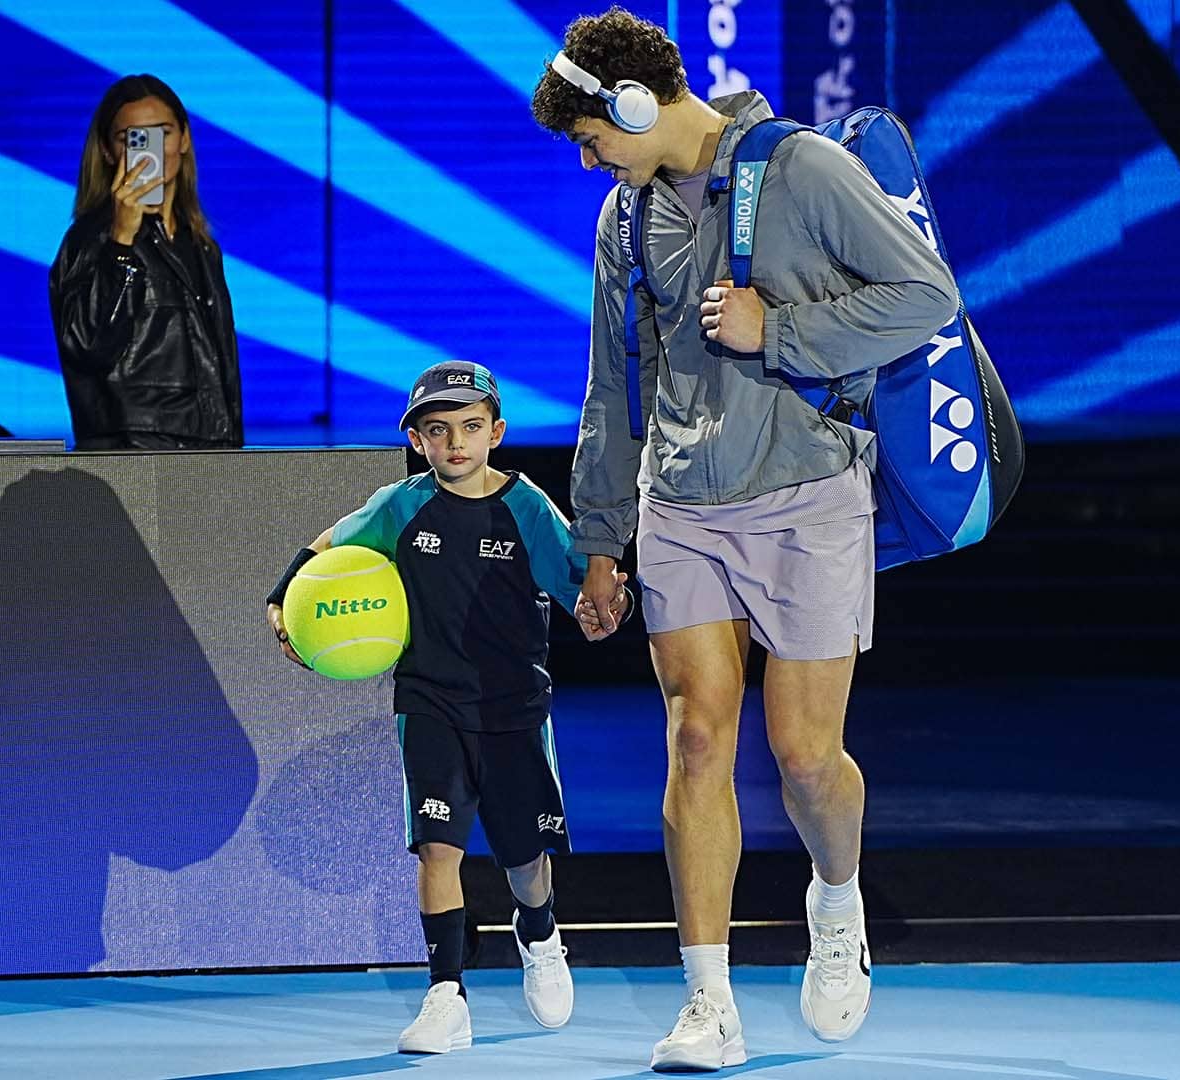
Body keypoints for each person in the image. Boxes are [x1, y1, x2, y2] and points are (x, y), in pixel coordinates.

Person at [532, 7, 959, 1071]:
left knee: (806, 759)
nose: (589, 161)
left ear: (636, 103)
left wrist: (786, 331)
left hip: (810, 497)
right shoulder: (623, 219)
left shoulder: (802, 167)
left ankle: (837, 903)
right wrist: (600, 538)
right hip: (680, 506)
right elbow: (611, 385)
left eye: (591, 138)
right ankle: (708, 1001)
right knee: (695, 738)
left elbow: (926, 294)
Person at [264, 360, 632, 1056]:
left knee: (524, 859)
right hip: (428, 700)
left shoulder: (527, 508)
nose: (455, 442)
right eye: (437, 430)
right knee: (438, 847)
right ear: (417, 440)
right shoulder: (398, 507)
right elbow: (328, 545)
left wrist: (602, 610)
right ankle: (446, 994)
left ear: (497, 431)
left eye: (469, 426)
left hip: (514, 708)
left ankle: (539, 931)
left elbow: (584, 591)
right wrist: (283, 599)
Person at [49, 74, 241, 450]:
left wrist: (231, 445)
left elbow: (219, 366)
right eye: (133, 138)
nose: (152, 150)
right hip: (132, 453)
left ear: (184, 139)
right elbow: (86, 346)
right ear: (108, 150)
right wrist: (121, 242)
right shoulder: (91, 238)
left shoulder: (201, 245)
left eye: (163, 133)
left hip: (210, 450)